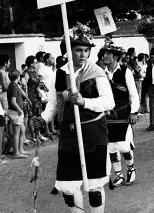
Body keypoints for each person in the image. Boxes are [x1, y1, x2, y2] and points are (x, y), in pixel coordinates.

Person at [35, 23, 115, 213]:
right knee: (68, 187)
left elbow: (108, 102)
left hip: (93, 132)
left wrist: (84, 102)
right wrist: (44, 118)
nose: (83, 55)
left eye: (86, 50)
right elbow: (53, 103)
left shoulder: (97, 73)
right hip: (69, 134)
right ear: (69, 51)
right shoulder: (59, 74)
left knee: (94, 186)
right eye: (78, 50)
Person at [101, 39, 140, 187]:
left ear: (116, 56)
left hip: (124, 114)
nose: (104, 56)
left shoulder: (126, 72)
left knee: (123, 145)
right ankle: (118, 174)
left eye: (108, 54)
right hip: (108, 116)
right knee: (111, 146)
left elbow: (133, 94)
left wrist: (134, 112)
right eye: (103, 53)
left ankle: (131, 168)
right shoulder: (101, 73)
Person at [24, 55, 48, 141]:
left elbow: (38, 83)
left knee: (38, 114)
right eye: (35, 62)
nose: (36, 64)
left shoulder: (35, 72)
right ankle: (32, 134)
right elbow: (25, 86)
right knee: (31, 115)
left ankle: (38, 133)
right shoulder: (26, 73)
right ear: (31, 64)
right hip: (30, 96)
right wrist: (26, 98)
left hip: (37, 95)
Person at [7, 69, 29, 159]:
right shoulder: (13, 86)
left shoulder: (15, 85)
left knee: (22, 130)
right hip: (15, 111)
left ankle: (20, 149)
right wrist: (19, 109)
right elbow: (13, 101)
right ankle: (16, 152)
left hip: (17, 111)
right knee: (16, 132)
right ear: (17, 77)